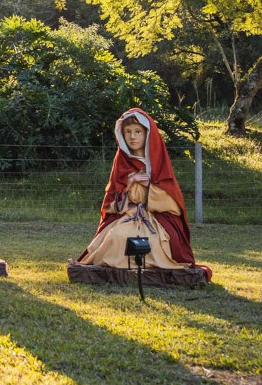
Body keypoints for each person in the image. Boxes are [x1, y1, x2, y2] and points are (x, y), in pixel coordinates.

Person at [76, 108, 211, 279]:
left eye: (138, 131)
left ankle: (147, 269)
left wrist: (151, 187)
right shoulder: (121, 161)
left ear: (147, 134)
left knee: (154, 242)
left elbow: (173, 203)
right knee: (115, 237)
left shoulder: (158, 162)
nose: (132, 137)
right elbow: (112, 204)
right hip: (128, 215)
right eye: (128, 132)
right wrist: (129, 183)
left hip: (153, 218)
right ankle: (121, 269)